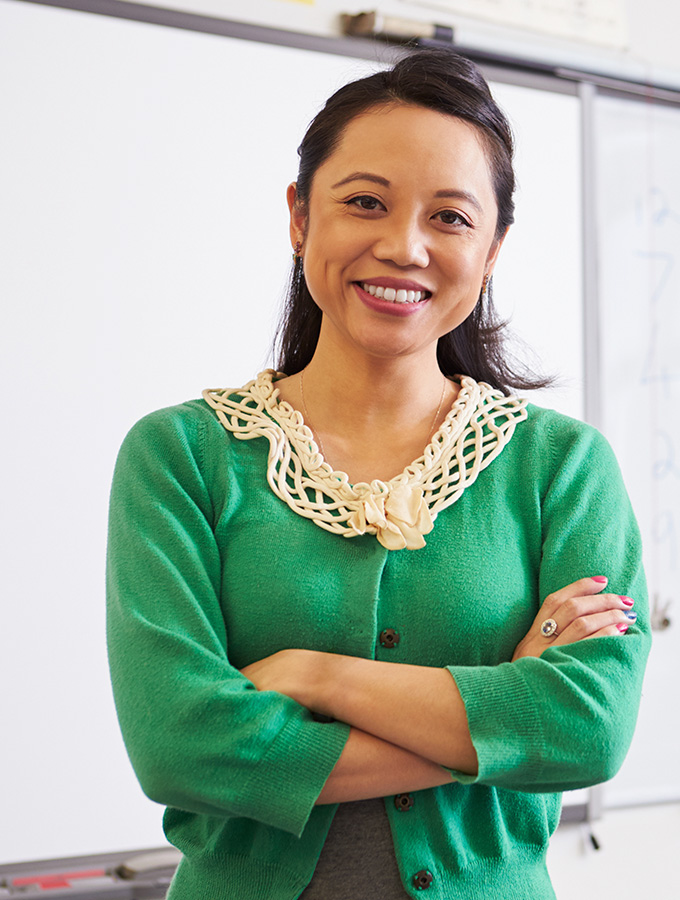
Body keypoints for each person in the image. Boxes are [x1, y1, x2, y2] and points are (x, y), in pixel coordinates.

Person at [106, 49, 650, 900]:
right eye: (365, 203)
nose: (403, 247)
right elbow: (181, 744)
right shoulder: (181, 456)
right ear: (299, 216)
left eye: (451, 218)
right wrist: (506, 704)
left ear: (494, 247)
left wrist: (316, 675)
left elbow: (588, 732)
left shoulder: (562, 467)